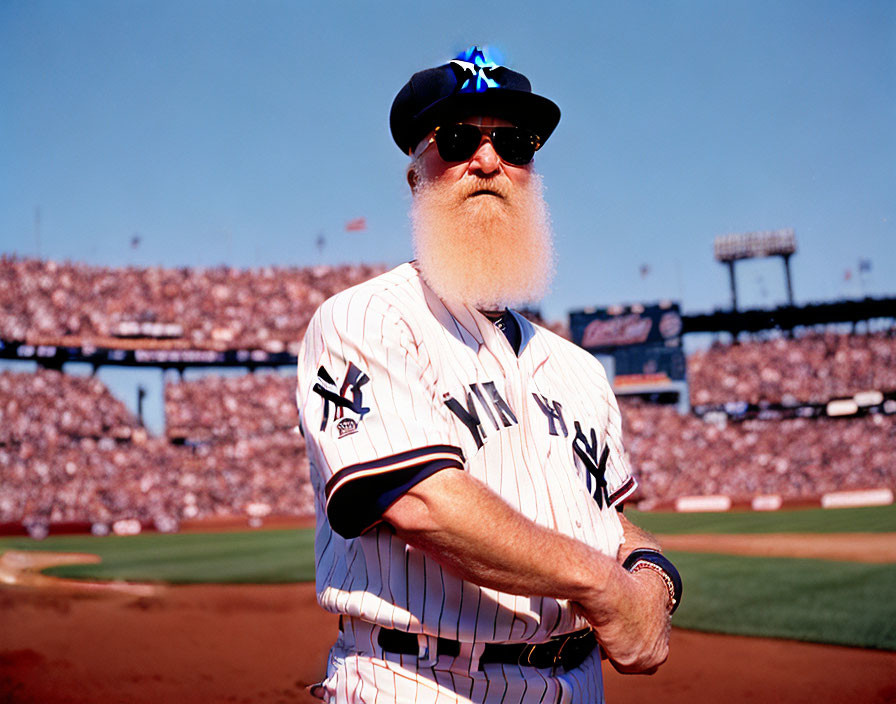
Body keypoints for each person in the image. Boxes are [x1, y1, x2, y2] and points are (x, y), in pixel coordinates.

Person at [296, 47, 681, 704]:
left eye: (514, 141)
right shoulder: (366, 317)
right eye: (456, 138)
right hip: (417, 682)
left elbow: (606, 524)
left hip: (576, 685)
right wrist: (603, 585)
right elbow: (423, 502)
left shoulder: (580, 369)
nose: (488, 158)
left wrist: (654, 576)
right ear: (416, 179)